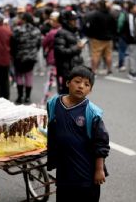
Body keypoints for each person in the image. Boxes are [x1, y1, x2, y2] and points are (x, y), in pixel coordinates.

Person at [46, 65, 110, 202]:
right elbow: (52, 127)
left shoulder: (92, 113)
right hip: (64, 173)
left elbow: (101, 143)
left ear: (90, 90)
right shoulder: (53, 103)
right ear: (68, 83)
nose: (81, 86)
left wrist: (99, 170)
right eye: (77, 81)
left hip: (86, 175)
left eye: (86, 84)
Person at [11, 12, 42, 104]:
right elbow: (38, 44)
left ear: (24, 20)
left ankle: (20, 96)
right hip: (31, 57)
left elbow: (13, 44)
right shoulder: (37, 31)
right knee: (29, 76)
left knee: (19, 76)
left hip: (19, 57)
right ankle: (28, 97)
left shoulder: (17, 30)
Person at [54, 10, 85, 94]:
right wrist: (77, 47)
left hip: (75, 68)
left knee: (75, 96)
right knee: (65, 96)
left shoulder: (73, 31)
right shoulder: (61, 33)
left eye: (76, 20)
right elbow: (60, 52)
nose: (75, 22)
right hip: (66, 71)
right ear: (66, 21)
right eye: (73, 20)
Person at [83, 0, 116, 74]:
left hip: (97, 38)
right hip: (108, 38)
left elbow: (89, 26)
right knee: (108, 55)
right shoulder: (110, 14)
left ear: (98, 5)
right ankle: (109, 69)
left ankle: (94, 70)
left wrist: (89, 35)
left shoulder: (94, 15)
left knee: (95, 55)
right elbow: (114, 26)